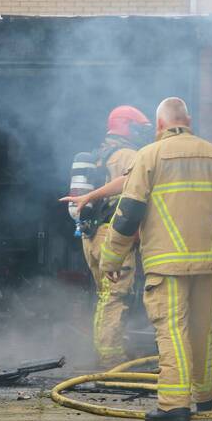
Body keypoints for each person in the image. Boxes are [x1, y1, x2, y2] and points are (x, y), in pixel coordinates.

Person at [98, 97, 212, 421]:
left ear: (160, 124)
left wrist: (109, 259)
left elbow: (127, 215)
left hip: (167, 266)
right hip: (210, 264)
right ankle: (204, 397)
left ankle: (174, 404)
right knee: (204, 331)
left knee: (172, 332)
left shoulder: (148, 156)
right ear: (188, 121)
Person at [62, 105, 151, 368]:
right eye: (138, 128)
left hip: (90, 233)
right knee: (116, 295)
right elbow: (136, 189)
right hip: (113, 235)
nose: (141, 134)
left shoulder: (98, 154)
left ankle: (109, 350)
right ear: (126, 126)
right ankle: (111, 358)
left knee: (105, 294)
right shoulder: (128, 155)